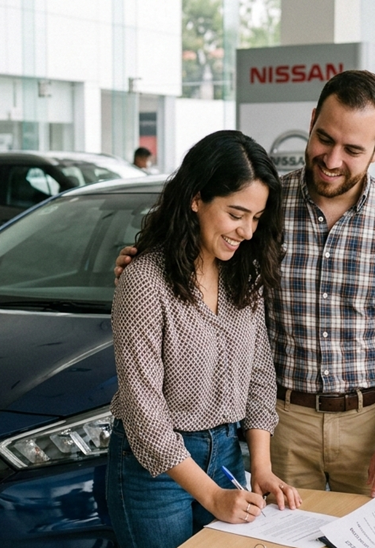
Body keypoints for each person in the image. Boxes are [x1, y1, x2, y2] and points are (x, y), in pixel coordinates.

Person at [117, 70, 375, 498]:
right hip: (282, 424)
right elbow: (197, 259)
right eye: (325, 138)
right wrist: (143, 261)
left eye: (353, 149)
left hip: (369, 423)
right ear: (311, 122)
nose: (332, 159)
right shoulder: (265, 206)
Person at [107, 130, 301, 548]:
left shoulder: (243, 275)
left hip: (227, 457)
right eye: (236, 214)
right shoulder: (144, 281)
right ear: (196, 199)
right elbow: (144, 412)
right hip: (153, 471)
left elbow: (259, 375)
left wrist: (262, 468)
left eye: (256, 218)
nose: (247, 231)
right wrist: (211, 495)